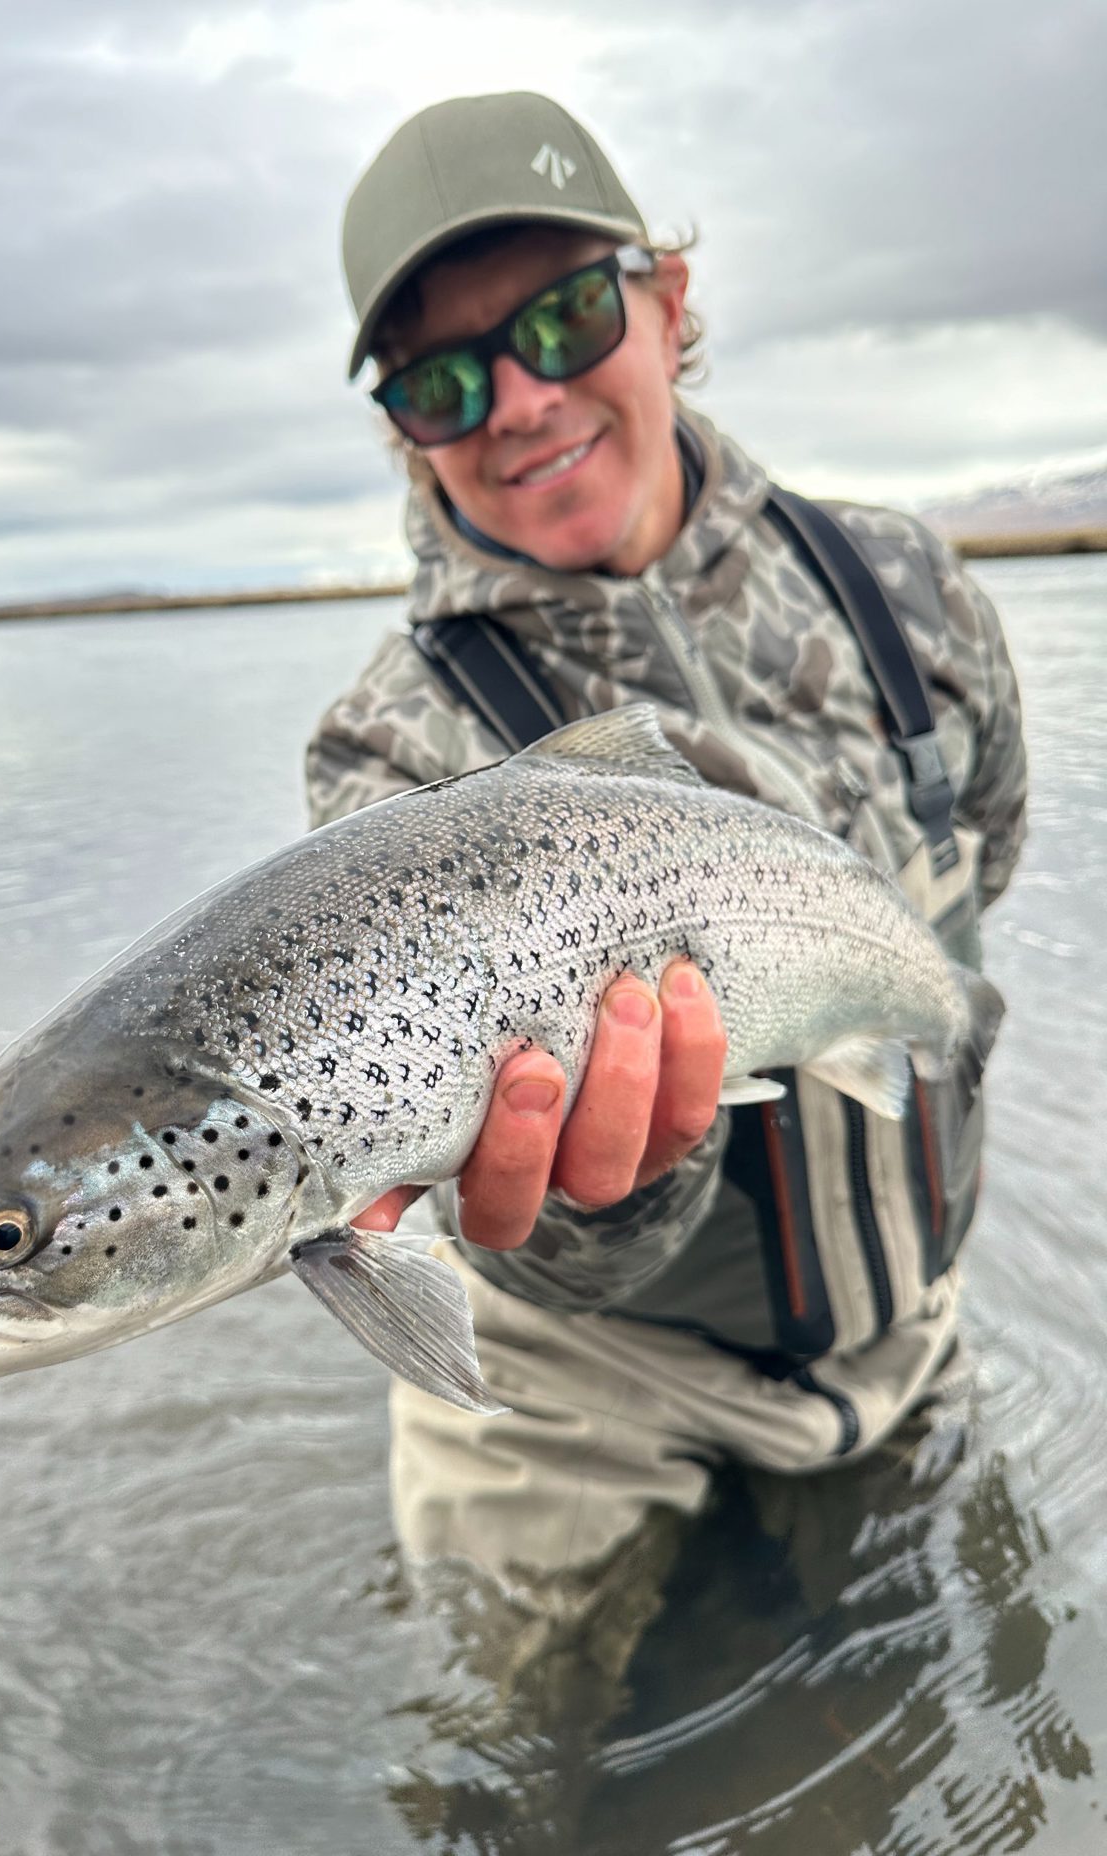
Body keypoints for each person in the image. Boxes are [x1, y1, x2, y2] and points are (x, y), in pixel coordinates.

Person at [305, 91, 1027, 1689]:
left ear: (670, 303)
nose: (515, 401)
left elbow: (990, 838)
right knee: (501, 1764)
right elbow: (508, 1245)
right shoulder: (388, 753)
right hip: (579, 1401)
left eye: (564, 317)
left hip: (913, 1331)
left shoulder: (908, 596)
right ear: (401, 428)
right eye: (437, 381)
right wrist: (607, 1190)